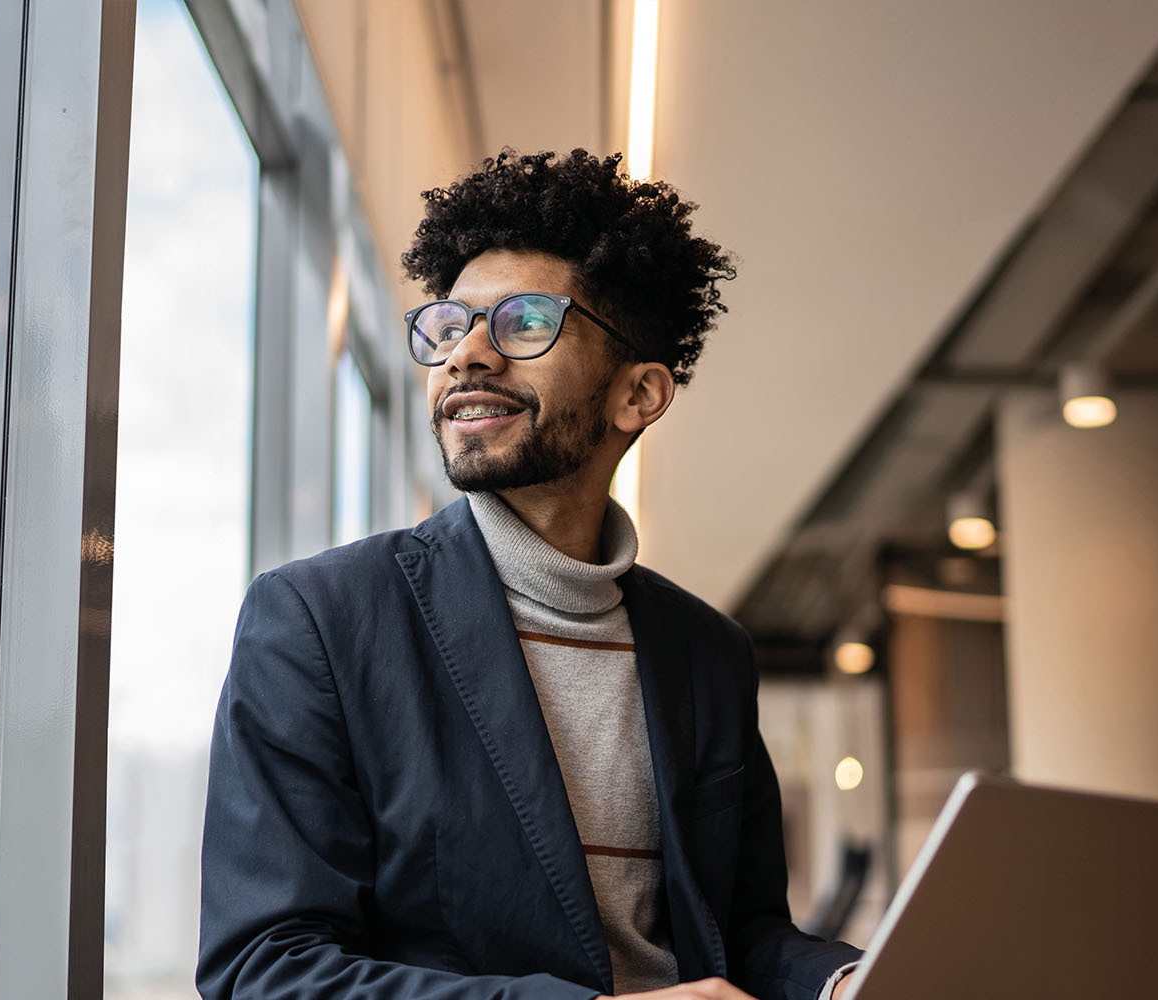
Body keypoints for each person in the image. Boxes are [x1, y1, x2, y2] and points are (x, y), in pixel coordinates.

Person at [198, 149, 863, 1000]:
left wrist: (845, 981)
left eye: (523, 323)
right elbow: (264, 970)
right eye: (448, 325)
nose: (467, 355)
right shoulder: (319, 620)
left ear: (639, 395)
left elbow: (739, 932)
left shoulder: (708, 652)